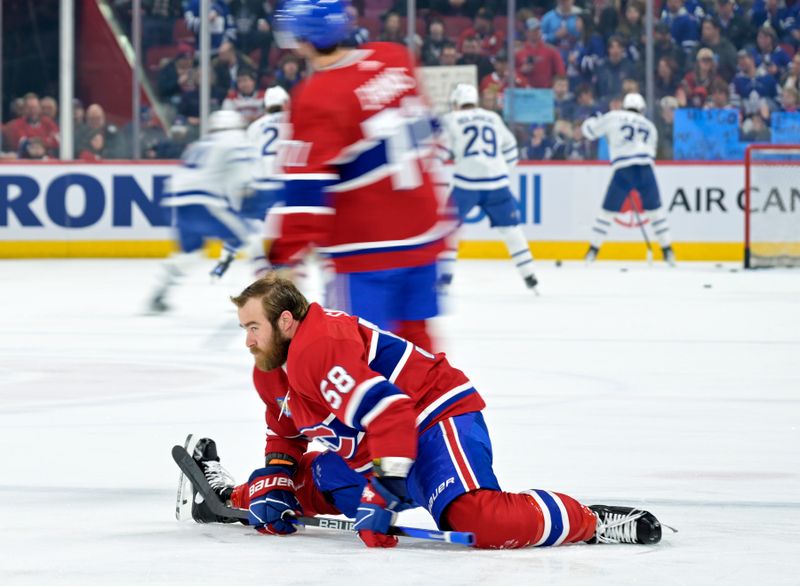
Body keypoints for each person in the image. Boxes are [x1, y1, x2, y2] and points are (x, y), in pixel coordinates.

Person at [178, 273, 665, 550]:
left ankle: (589, 521)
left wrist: (383, 492)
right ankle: (224, 493)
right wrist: (276, 481)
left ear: (286, 322)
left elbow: (391, 414)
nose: (247, 340)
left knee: (477, 520)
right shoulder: (271, 368)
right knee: (298, 488)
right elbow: (285, 437)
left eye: (253, 327)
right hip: (378, 447)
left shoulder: (315, 349)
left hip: (432, 418)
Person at [264, 0, 451, 352]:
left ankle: (384, 408)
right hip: (424, 233)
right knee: (419, 349)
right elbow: (432, 129)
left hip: (366, 248)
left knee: (360, 354)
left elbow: (306, 189)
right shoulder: (395, 57)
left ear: (303, 39)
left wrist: (284, 258)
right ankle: (442, 407)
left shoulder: (316, 95)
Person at [147, 110, 257, 313]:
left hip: (175, 202)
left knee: (191, 253)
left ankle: (159, 293)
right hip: (203, 201)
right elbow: (242, 181)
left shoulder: (202, 143)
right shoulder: (236, 139)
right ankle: (269, 297)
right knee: (249, 238)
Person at [437, 83, 538, 292]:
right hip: (497, 182)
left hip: (466, 182)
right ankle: (530, 276)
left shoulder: (451, 119)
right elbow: (511, 148)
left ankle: (444, 278)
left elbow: (440, 151)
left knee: (448, 228)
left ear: (456, 103)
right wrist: (501, 171)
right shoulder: (493, 117)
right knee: (511, 230)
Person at [580, 93, 675, 265]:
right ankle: (668, 251)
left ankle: (592, 251)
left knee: (607, 212)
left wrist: (593, 118)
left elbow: (589, 132)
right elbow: (651, 151)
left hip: (623, 168)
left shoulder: (614, 116)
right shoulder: (649, 126)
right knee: (655, 212)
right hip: (646, 168)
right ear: (642, 109)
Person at [211, 86, 292, 280]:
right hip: (287, 184)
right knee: (288, 227)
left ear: (266, 106)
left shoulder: (256, 126)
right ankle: (281, 263)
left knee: (245, 222)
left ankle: (224, 260)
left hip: (261, 184)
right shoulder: (294, 122)